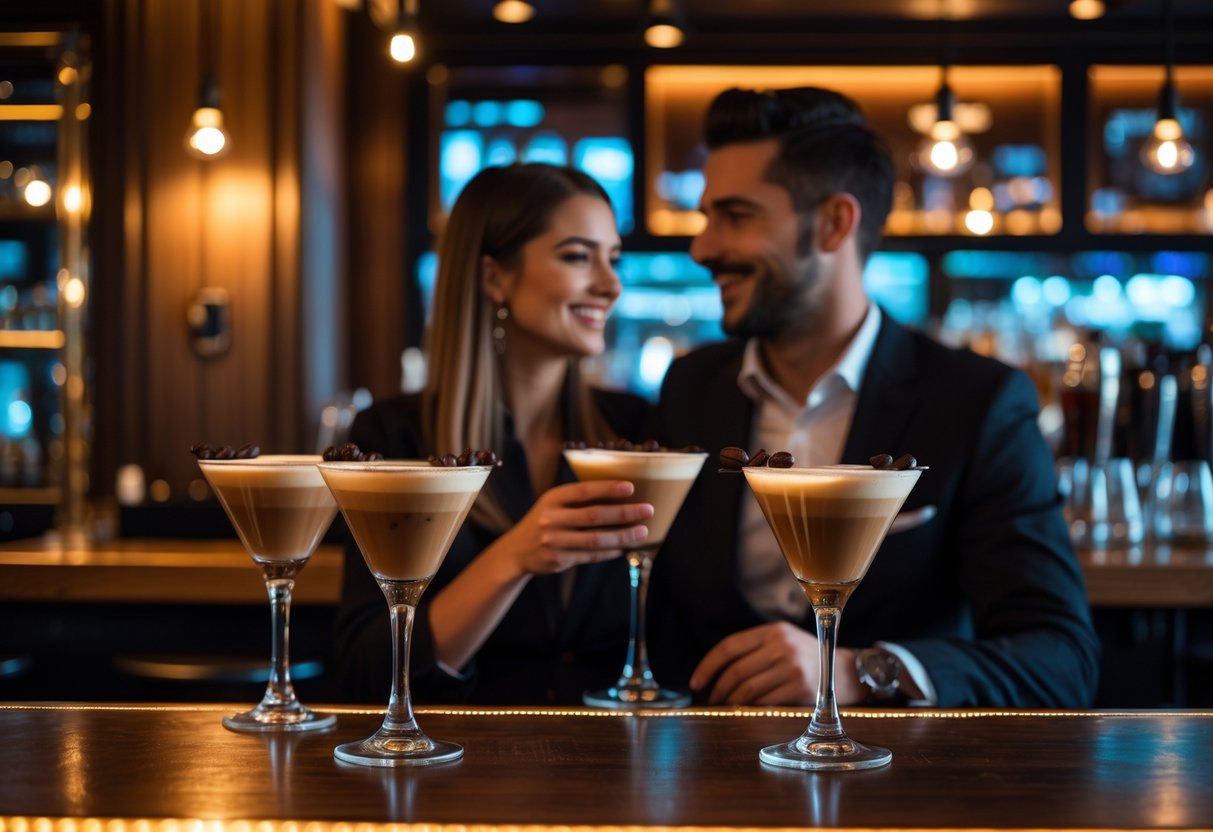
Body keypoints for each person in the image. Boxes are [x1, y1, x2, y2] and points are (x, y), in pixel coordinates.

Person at [648, 87, 1100, 708]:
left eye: (736, 216)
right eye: (705, 217)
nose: (703, 247)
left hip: (899, 781)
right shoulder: (689, 388)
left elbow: (1061, 660)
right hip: (704, 772)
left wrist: (861, 671)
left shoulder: (978, 402)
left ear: (834, 222)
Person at [334, 163, 654, 705]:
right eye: (578, 256)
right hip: (458, 766)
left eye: (613, 258)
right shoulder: (394, 436)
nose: (610, 285)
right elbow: (369, 670)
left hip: (622, 763)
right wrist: (514, 558)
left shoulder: (638, 429)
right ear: (493, 277)